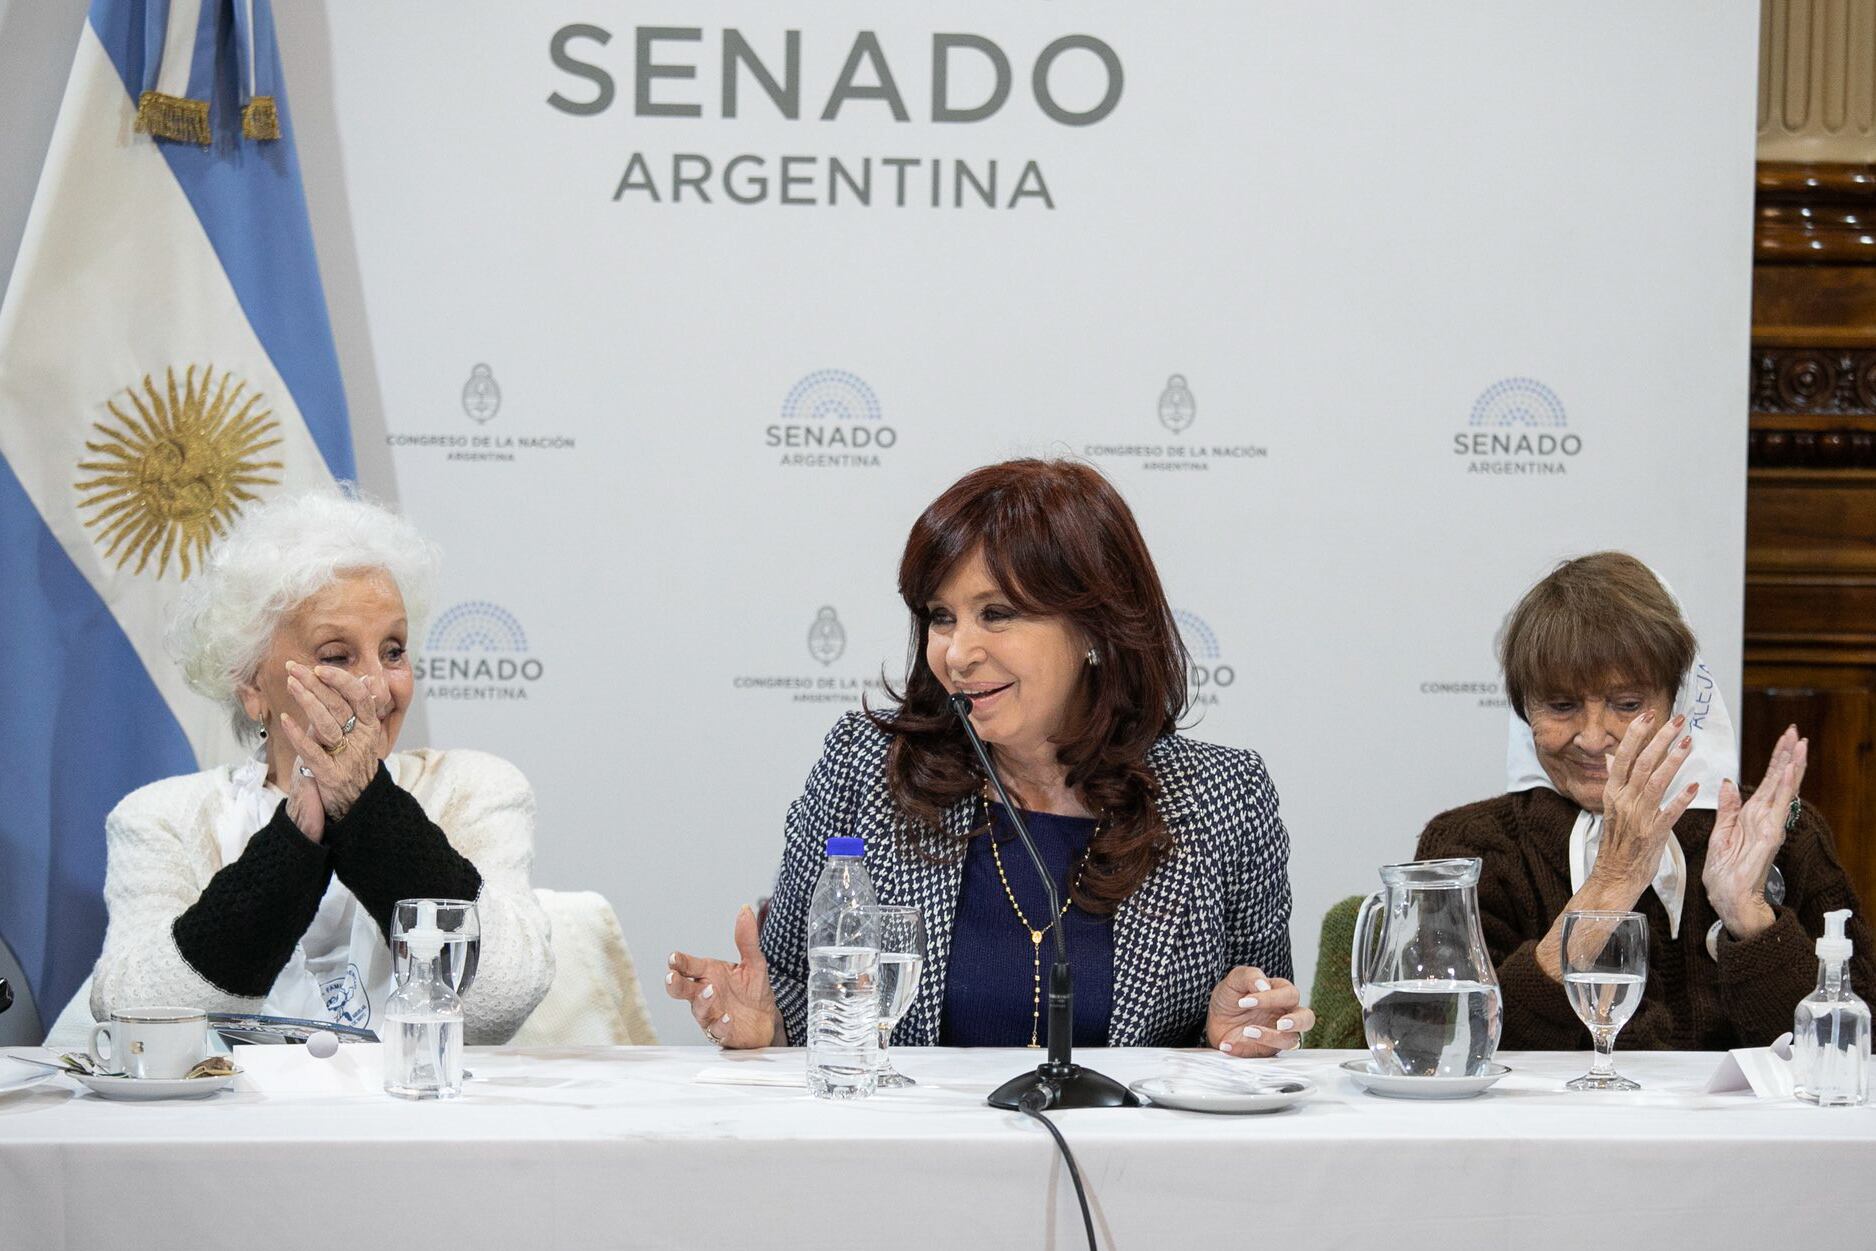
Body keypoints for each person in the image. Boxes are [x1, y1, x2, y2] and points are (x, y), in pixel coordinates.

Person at [669, 459, 1307, 1055]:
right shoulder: (868, 768)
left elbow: (1252, 1022)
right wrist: (772, 1024)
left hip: (1127, 1167)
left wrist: (1232, 1038)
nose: (957, 653)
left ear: (1094, 626)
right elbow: (797, 989)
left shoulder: (1222, 797)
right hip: (921, 1160)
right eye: (942, 618)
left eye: (997, 614)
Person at [90, 490, 552, 1043]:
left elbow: (500, 1000)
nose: (379, 688)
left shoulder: (475, 789)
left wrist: (368, 810)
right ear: (251, 685)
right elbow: (134, 1020)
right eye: (336, 656)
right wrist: (291, 847)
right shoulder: (160, 817)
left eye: (394, 650)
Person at [1417, 552, 1875, 1049]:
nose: (1594, 738)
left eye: (1629, 704)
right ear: (1525, 713)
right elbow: (1443, 1046)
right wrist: (1610, 888)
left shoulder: (1779, 837)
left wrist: (1751, 919)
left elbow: (1854, 1053)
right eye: (1562, 705)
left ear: (1677, 702)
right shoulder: (1466, 850)